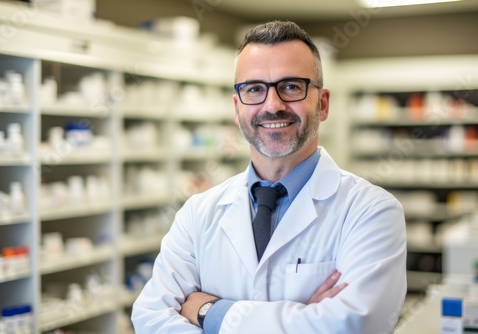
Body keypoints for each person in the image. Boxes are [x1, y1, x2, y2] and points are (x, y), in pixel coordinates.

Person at [131, 20, 407, 333]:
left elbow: (355, 325)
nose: (272, 105)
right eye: (254, 89)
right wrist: (303, 318)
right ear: (237, 109)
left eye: (291, 86)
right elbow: (151, 318)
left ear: (324, 103)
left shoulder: (371, 211)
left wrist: (210, 312)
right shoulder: (197, 213)